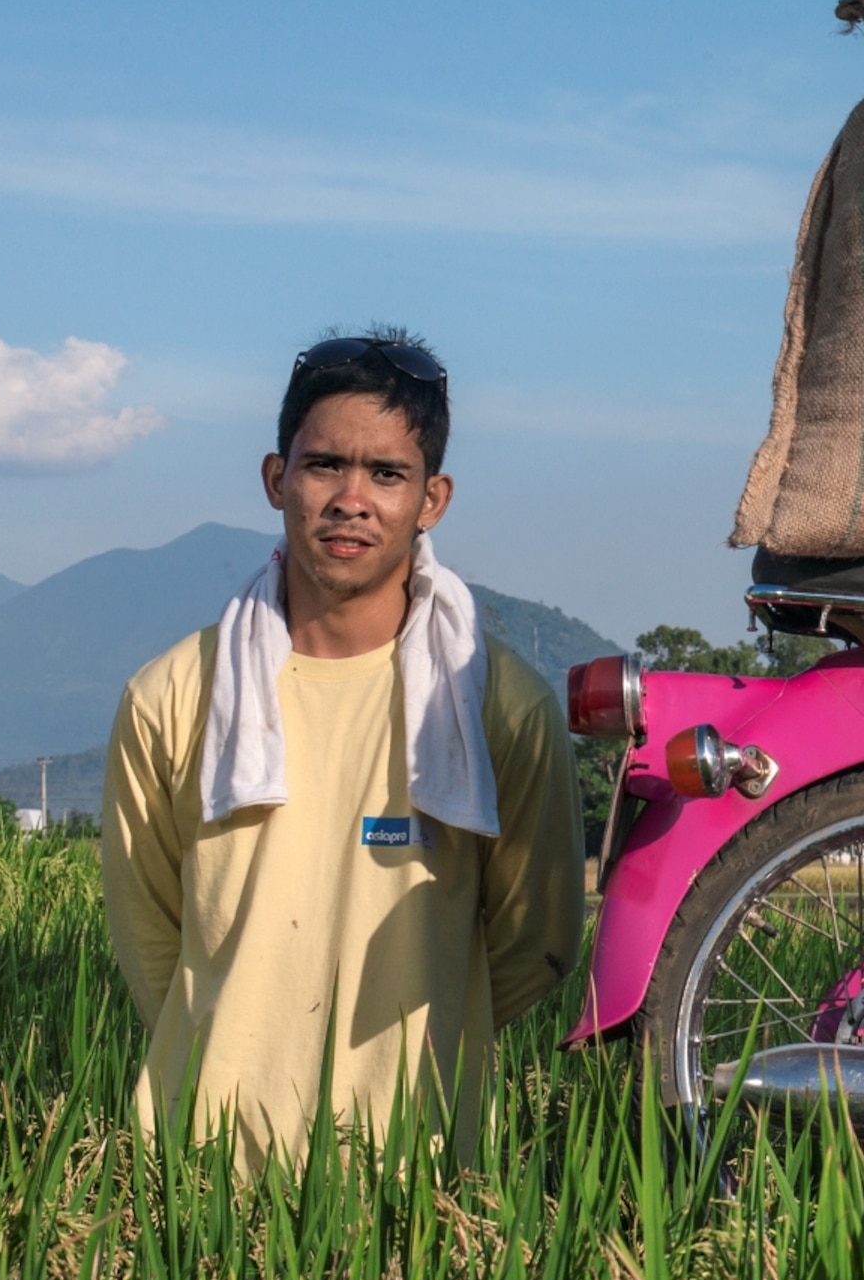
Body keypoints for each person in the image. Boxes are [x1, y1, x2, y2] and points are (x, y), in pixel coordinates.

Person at [101, 330, 583, 1162]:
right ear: (275, 478)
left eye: (387, 473)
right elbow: (150, 940)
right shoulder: (173, 700)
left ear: (432, 500)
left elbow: (536, 940)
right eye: (324, 465)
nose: (351, 499)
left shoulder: (500, 708)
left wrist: (422, 1032)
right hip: (202, 1176)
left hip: (422, 1177)